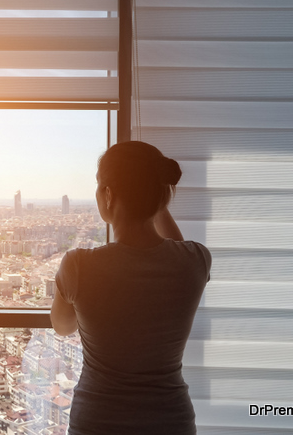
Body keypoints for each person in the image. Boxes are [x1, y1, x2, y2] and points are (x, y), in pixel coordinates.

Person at [51, 141, 211, 434]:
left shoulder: (79, 266)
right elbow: (176, 247)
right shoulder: (196, 262)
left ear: (108, 195)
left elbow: (62, 326)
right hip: (170, 421)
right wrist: (154, 203)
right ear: (160, 196)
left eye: (100, 186)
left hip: (98, 421)